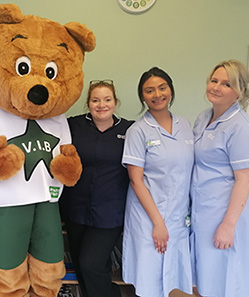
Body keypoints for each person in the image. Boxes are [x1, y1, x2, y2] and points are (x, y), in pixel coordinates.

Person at [121, 67, 193, 297]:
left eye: (162, 88)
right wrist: (158, 223)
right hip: (148, 218)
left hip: (179, 217)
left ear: (170, 90)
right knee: (149, 281)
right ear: (143, 96)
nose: (157, 94)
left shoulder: (186, 125)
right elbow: (136, 180)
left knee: (175, 279)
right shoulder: (138, 131)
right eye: (149, 90)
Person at [59, 79, 134, 297]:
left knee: (90, 262)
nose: (101, 105)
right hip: (76, 209)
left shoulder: (129, 129)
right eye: (95, 100)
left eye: (107, 99)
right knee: (83, 267)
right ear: (88, 103)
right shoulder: (73, 125)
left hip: (110, 211)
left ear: (115, 102)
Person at [190, 60, 249, 297]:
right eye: (214, 81)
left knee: (226, 280)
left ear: (239, 92)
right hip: (202, 213)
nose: (216, 87)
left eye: (226, 84)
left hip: (224, 216)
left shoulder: (240, 126)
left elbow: (245, 179)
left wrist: (228, 227)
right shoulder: (203, 118)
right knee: (206, 278)